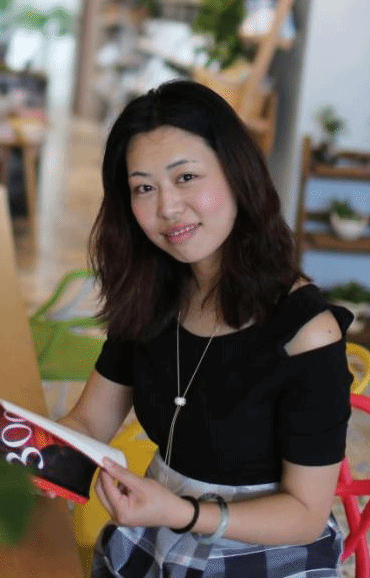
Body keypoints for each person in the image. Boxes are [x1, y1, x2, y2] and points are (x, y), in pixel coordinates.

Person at [57, 80, 353, 578]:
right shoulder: (152, 294)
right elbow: (90, 422)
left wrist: (184, 513)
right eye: (144, 188)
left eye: (186, 177)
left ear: (238, 175)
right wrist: (35, 449)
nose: (167, 208)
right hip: (157, 531)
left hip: (260, 552)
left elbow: (306, 515)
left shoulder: (306, 334)